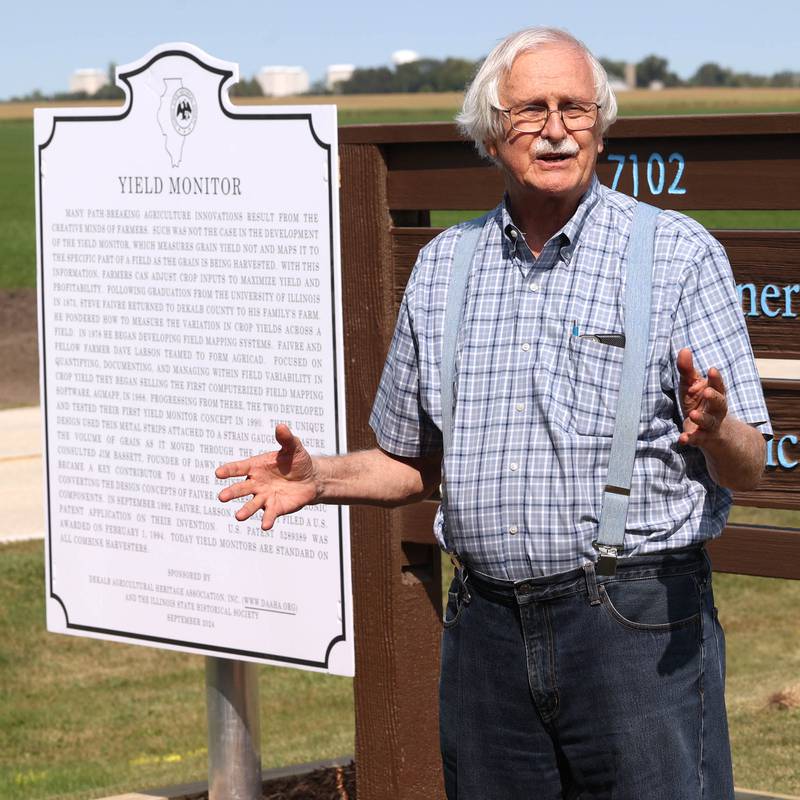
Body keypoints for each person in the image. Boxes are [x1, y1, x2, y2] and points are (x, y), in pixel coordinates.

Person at [216, 27, 771, 800]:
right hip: (485, 632)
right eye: (530, 110)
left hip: (633, 624)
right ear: (489, 132)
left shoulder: (676, 255)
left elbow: (751, 460)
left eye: (575, 108)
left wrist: (716, 430)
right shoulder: (446, 266)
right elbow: (412, 462)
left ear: (601, 125)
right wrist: (321, 478)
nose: (555, 129)